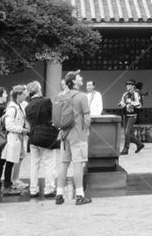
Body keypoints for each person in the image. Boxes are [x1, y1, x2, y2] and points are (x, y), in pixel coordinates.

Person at [55, 70, 92, 205]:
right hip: (78, 135)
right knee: (78, 164)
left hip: (65, 135)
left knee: (64, 164)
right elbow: (87, 118)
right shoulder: (82, 96)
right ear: (74, 82)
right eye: (78, 77)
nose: (81, 78)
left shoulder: (62, 95)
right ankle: (79, 195)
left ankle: (59, 194)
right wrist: (86, 130)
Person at [23, 81, 57, 198]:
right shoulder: (46, 101)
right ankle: (49, 188)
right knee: (49, 163)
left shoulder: (27, 106)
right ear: (39, 90)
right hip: (46, 135)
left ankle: (33, 189)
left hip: (32, 137)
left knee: (34, 164)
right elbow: (54, 116)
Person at [0, 85, 29, 194]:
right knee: (10, 161)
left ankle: (11, 182)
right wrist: (21, 129)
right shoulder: (12, 108)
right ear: (18, 95)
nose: (25, 96)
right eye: (23, 94)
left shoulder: (18, 106)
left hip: (18, 138)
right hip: (14, 138)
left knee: (14, 160)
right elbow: (9, 125)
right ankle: (8, 184)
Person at [118, 79, 143, 155]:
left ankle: (126, 149)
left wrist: (131, 103)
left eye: (129, 85)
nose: (127, 86)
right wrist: (121, 104)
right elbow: (122, 101)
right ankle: (139, 144)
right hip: (125, 115)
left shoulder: (136, 94)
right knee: (128, 133)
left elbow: (139, 104)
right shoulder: (125, 94)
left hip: (133, 115)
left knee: (127, 132)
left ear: (133, 86)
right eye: (127, 85)